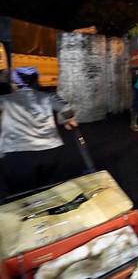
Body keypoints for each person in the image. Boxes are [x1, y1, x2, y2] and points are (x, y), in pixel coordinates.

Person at [0, 67, 79, 195]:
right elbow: (66, 108)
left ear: (15, 83)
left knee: (21, 194)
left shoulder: (5, 100)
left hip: (17, 154)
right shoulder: (48, 97)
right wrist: (68, 121)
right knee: (48, 189)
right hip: (50, 150)